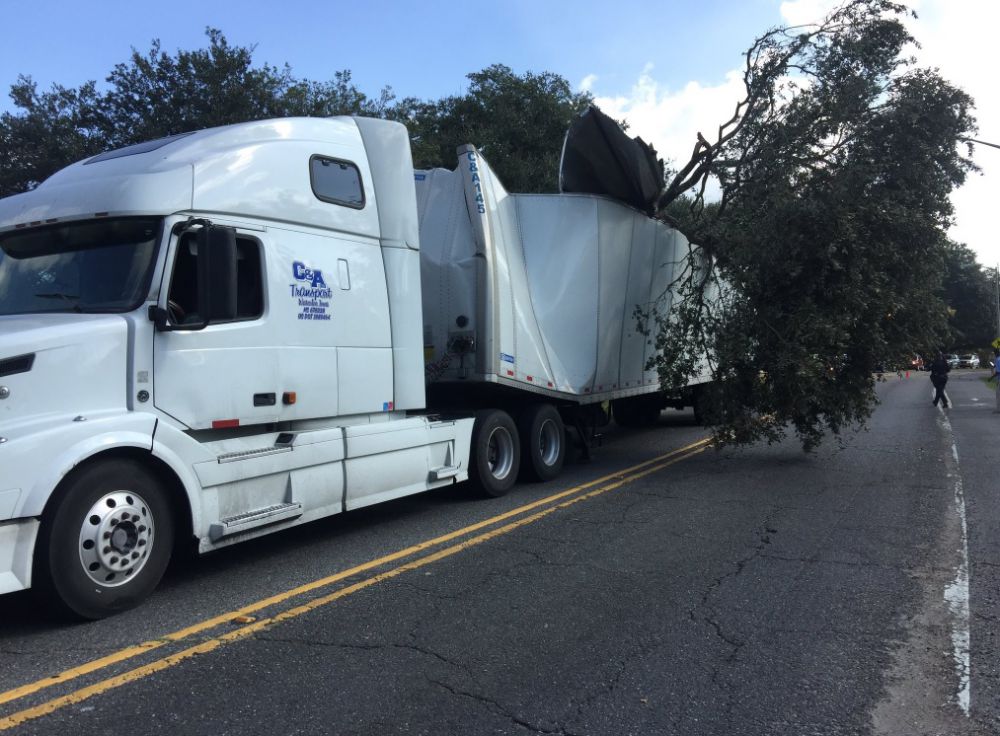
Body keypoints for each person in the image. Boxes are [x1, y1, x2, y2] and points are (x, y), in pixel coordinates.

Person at [992, 348, 1000, 413]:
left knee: (998, 394)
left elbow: (997, 371)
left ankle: (998, 409)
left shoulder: (997, 360)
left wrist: (991, 378)